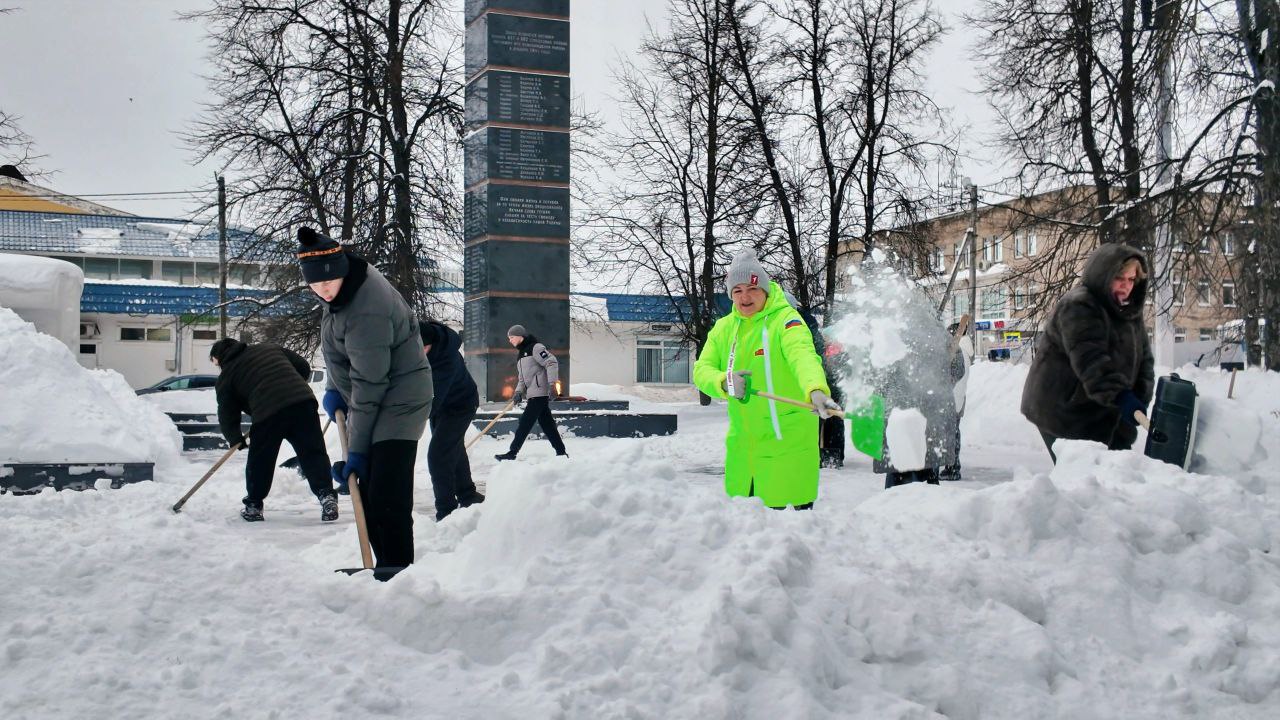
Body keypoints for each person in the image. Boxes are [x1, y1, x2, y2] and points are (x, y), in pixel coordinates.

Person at [298, 225, 433, 572]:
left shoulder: (366, 308)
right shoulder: (342, 290)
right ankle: (386, 565)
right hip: (375, 395)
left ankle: (397, 570)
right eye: (315, 283)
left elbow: (370, 383)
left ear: (341, 270)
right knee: (369, 488)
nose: (323, 290)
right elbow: (339, 351)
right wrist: (333, 389)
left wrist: (357, 451)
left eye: (328, 281)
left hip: (400, 400)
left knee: (386, 491)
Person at [692, 251, 838, 510]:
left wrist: (815, 388)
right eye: (737, 291)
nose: (745, 297)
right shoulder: (723, 329)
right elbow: (702, 370)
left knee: (787, 532)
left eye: (752, 289)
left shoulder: (786, 321)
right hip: (743, 460)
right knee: (745, 531)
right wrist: (723, 381)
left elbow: (802, 355)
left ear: (765, 289)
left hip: (787, 454)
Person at [1021, 243, 1155, 463]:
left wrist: (1139, 398)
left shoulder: (1127, 310)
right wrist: (1121, 396)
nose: (1126, 287)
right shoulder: (1079, 306)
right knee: (1082, 476)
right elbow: (1091, 360)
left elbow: (1144, 360)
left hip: (1109, 411)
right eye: (1119, 278)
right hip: (1065, 411)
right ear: (1103, 275)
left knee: (1116, 477)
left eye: (1131, 280)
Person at [210, 338, 338, 523]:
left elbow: (227, 412)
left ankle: (254, 506)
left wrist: (235, 438)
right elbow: (303, 366)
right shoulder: (269, 348)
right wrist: (289, 387)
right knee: (313, 453)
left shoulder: (227, 375)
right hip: (302, 403)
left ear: (220, 358)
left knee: (261, 460)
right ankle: (327, 496)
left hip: (267, 412)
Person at [419, 319, 485, 521]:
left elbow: (432, 400)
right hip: (442, 407)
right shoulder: (421, 351)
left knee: (438, 454)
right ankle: (468, 495)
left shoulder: (446, 359)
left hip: (461, 406)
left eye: (422, 348)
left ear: (431, 344)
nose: (418, 353)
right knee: (452, 448)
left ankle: (445, 510)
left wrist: (408, 420)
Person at [494, 325, 568, 461]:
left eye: (512, 337)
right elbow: (522, 379)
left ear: (520, 336)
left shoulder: (536, 348)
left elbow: (551, 362)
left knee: (525, 422)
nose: (510, 340)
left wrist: (552, 384)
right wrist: (518, 392)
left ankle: (512, 453)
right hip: (533, 394)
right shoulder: (521, 355)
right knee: (547, 425)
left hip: (540, 393)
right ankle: (561, 452)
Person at [936, 320, 974, 481]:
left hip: (951, 398)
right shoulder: (963, 351)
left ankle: (952, 468)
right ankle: (951, 466)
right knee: (953, 433)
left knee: (950, 434)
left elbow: (955, 375)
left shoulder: (958, 352)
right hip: (958, 398)